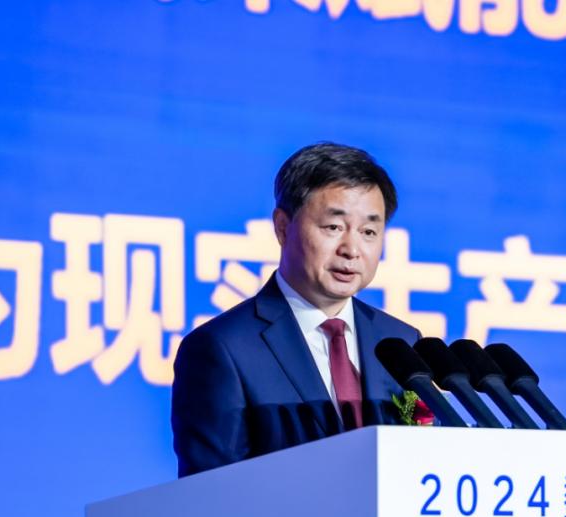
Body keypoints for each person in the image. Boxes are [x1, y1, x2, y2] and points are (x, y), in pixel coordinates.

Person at [171, 142, 420, 477]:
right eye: (333, 227)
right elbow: (212, 490)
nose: (352, 249)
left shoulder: (401, 342)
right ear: (282, 227)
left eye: (369, 232)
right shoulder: (223, 349)